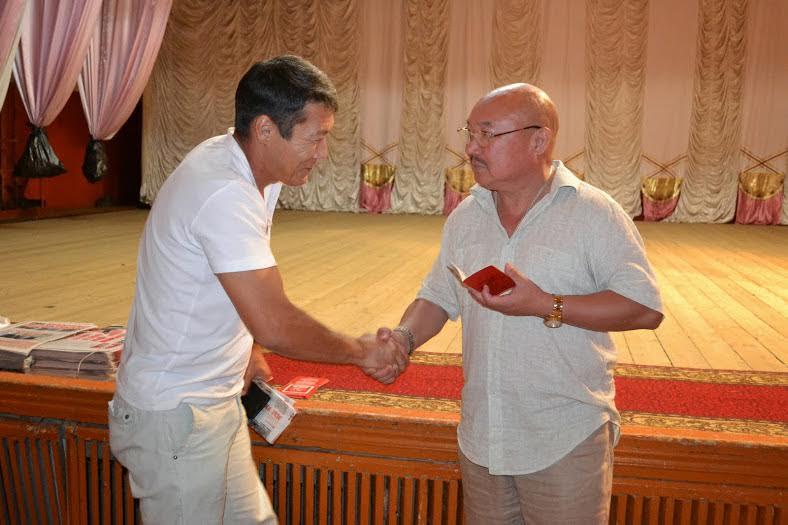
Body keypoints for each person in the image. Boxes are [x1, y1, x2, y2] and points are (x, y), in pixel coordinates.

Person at [109, 55, 407, 524]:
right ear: (265, 129)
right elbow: (275, 323)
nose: (322, 153)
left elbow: (233, 286)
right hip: (178, 416)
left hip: (215, 403)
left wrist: (247, 349)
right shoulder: (224, 190)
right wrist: (361, 351)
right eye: (315, 137)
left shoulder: (251, 169)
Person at [383, 83, 663, 524]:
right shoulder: (466, 217)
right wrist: (402, 339)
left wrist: (546, 304)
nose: (471, 148)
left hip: (563, 438)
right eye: (470, 134)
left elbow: (644, 308)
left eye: (488, 134)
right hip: (483, 436)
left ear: (539, 140)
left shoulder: (593, 212)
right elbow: (437, 296)